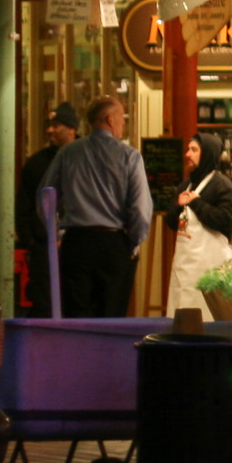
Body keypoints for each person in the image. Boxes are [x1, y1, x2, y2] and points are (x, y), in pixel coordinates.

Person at [44, 96, 153, 318]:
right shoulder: (129, 157)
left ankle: (79, 353)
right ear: (110, 119)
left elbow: (46, 196)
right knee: (112, 317)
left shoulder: (68, 153)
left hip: (76, 243)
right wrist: (132, 243)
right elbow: (141, 209)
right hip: (114, 245)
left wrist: (56, 233)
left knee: (77, 317)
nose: (123, 123)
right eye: (122, 118)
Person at [163, 130, 232, 319]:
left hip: (210, 271)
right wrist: (177, 206)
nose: (187, 154)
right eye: (188, 149)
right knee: (181, 316)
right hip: (184, 269)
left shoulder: (222, 186)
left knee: (207, 319)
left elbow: (226, 220)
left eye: (193, 150)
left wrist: (196, 203)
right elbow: (172, 223)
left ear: (207, 154)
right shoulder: (184, 186)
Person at [15, 102, 79, 316]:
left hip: (77, 242)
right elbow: (23, 206)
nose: (50, 130)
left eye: (57, 125)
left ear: (72, 129)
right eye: (49, 125)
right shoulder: (36, 163)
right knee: (44, 302)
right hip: (43, 246)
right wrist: (31, 241)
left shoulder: (84, 159)